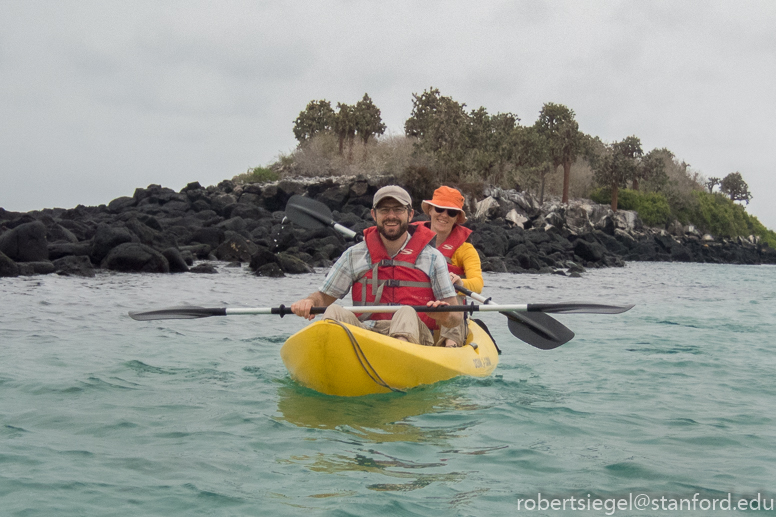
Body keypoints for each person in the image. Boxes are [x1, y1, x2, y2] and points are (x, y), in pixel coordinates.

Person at [289, 185, 463, 347]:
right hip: (366, 334)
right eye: (384, 210)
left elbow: (455, 317)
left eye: (398, 209)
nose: (391, 215)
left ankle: (397, 358)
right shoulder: (354, 254)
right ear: (374, 214)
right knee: (334, 311)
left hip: (416, 339)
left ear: (410, 215)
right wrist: (310, 302)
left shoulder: (432, 257)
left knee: (406, 312)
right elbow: (324, 298)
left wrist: (444, 316)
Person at [418, 186, 483, 348]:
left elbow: (478, 284)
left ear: (457, 218)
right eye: (440, 209)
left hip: (448, 317)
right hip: (419, 312)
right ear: (431, 210)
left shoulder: (465, 249)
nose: (444, 215)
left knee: (454, 292)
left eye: (451, 212)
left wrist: (460, 284)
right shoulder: (411, 240)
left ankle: (451, 343)